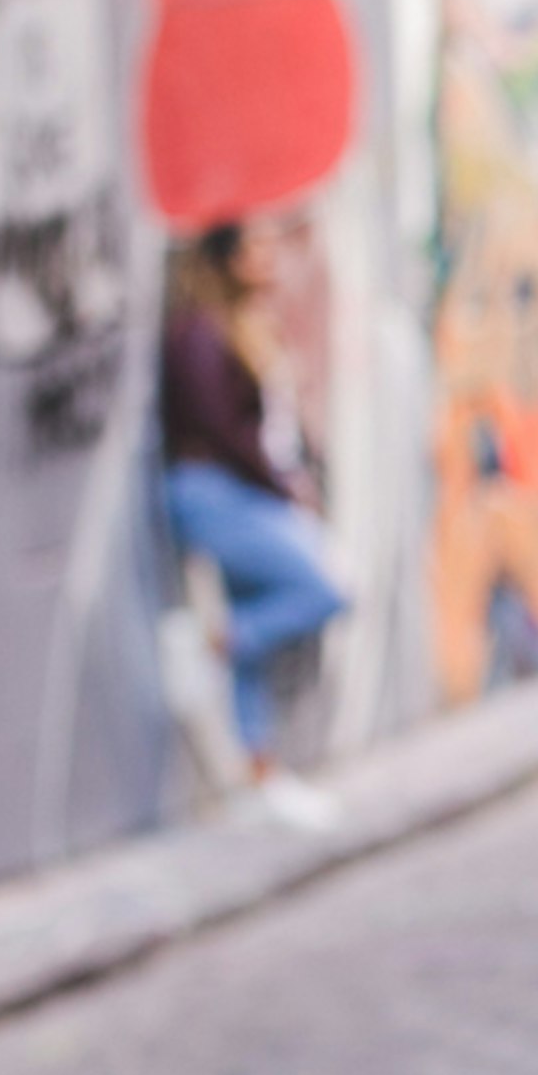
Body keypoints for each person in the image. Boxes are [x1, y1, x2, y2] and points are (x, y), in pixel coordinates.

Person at [160, 221, 347, 778]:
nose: (270, 259)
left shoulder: (243, 326)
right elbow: (224, 431)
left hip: (239, 491)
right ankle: (217, 642)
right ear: (228, 260)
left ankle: (257, 767)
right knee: (329, 587)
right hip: (216, 494)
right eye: (258, 248)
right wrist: (284, 490)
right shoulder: (200, 333)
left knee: (254, 623)